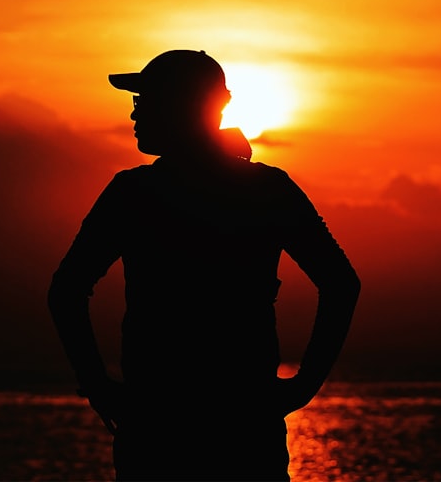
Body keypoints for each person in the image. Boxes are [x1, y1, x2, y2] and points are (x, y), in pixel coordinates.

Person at [47, 50, 361, 481]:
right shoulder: (266, 189)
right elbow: (341, 283)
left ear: (181, 107)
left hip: (160, 432)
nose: (135, 113)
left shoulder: (134, 194)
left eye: (146, 100)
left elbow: (67, 290)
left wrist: (99, 387)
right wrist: (303, 385)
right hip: (241, 431)